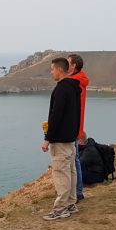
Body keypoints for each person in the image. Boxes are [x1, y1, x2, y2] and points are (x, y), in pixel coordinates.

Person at [41, 57, 81, 221]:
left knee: (60, 173)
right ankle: (71, 203)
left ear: (59, 70)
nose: (51, 73)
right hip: (71, 138)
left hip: (60, 140)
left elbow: (55, 116)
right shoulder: (73, 88)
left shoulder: (61, 90)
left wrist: (47, 138)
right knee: (70, 172)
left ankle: (61, 208)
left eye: (52, 69)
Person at [67, 53, 89, 201]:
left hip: (72, 125)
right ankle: (78, 191)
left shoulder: (74, 82)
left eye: (68, 63)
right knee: (75, 160)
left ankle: (77, 192)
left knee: (74, 160)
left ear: (74, 65)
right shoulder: (80, 79)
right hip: (77, 124)